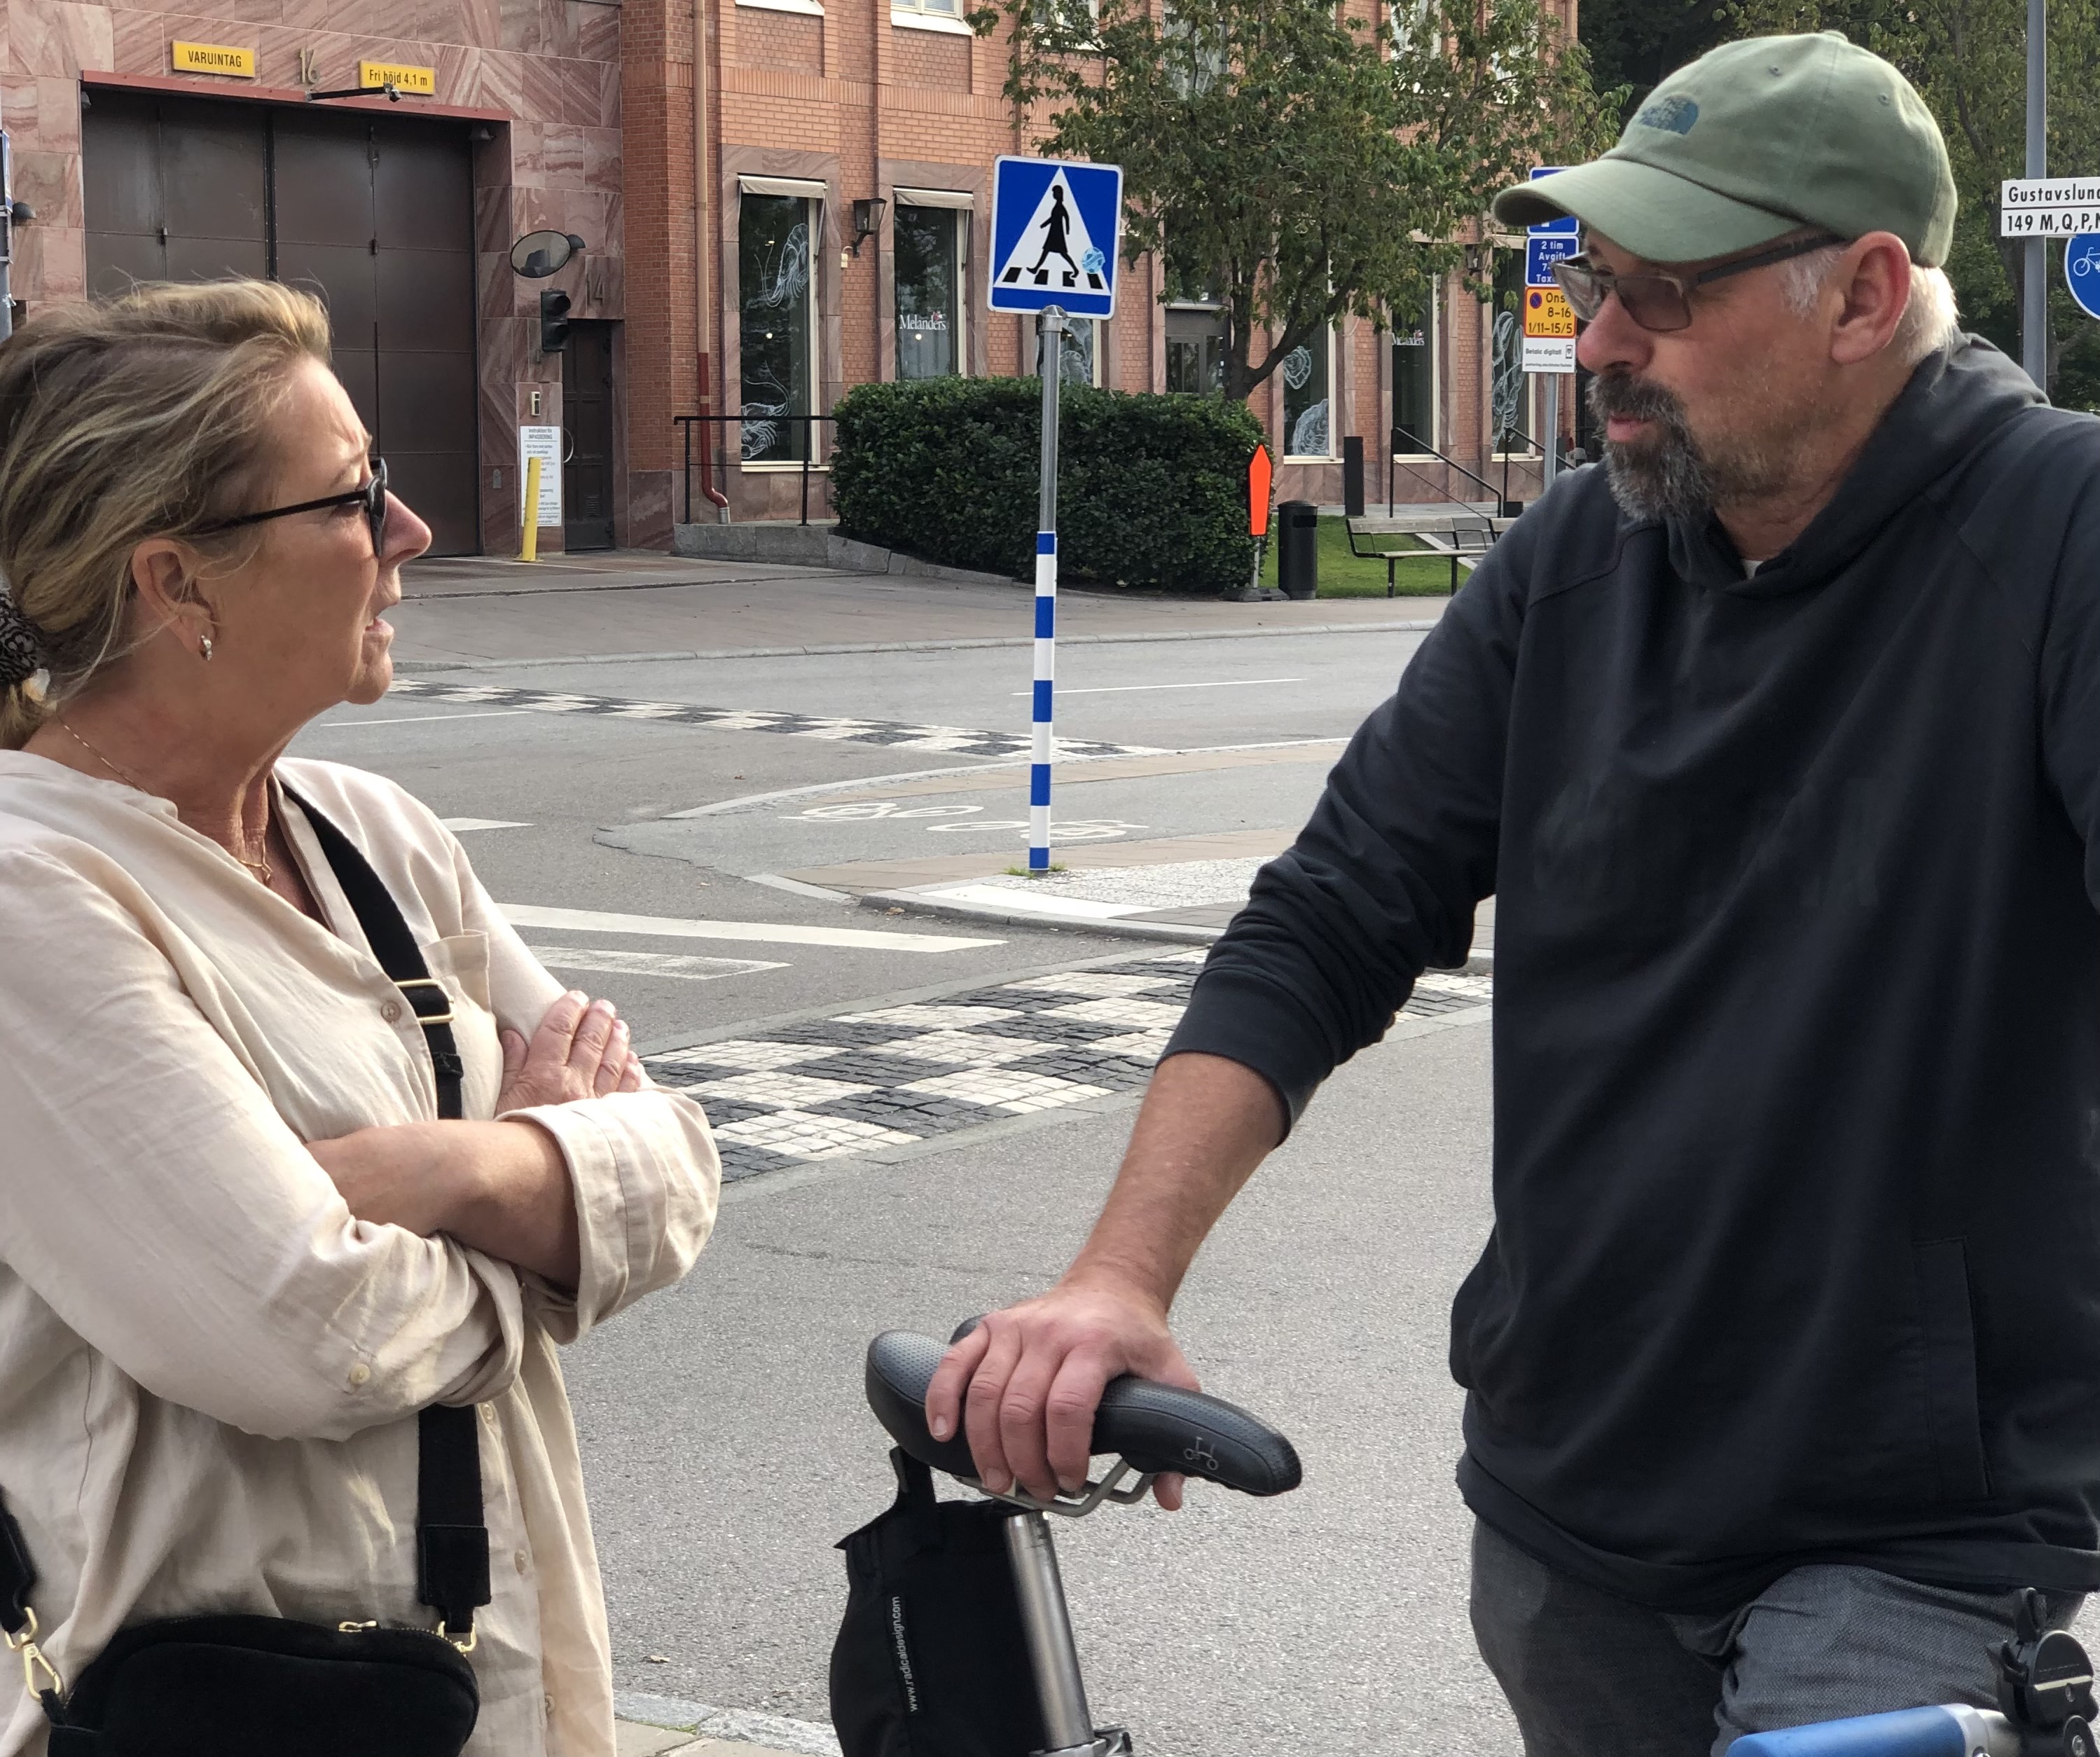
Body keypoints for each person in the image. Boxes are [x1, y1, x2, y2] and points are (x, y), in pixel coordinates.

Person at [925, 30, 2100, 1756]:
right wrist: (1119, 1275)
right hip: (1565, 1521)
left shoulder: (2055, 534)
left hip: (1902, 1544)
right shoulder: (1581, 553)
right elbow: (1330, 915)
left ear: (1859, 297)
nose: (1596, 346)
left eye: (1660, 298)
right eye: (1585, 283)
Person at [0, 280, 719, 1757]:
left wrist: (458, 1174)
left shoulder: (373, 834)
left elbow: (677, 1164)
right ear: (173, 585)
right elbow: (300, 1336)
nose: (411, 535)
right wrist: (554, 1192)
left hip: (481, 1678)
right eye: (353, 498)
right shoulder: (33, 897)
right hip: (205, 1700)